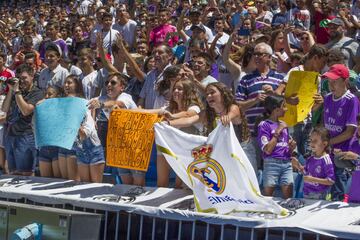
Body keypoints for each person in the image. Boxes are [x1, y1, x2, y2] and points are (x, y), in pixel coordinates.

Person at [313, 64, 360, 201]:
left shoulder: (352, 100)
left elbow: (350, 132)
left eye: (335, 82)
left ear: (345, 81)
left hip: (343, 154)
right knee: (327, 189)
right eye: (329, 81)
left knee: (339, 191)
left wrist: (326, 144)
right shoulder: (327, 98)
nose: (331, 85)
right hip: (328, 151)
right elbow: (325, 125)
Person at [87, 72, 143, 186]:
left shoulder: (125, 97)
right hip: (120, 144)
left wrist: (101, 105)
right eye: (107, 82)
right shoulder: (104, 98)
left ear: (122, 87)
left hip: (135, 144)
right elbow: (87, 103)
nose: (108, 85)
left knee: (138, 183)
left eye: (113, 83)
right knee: (126, 182)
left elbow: (119, 104)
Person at [2, 64, 44, 175]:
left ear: (32, 76)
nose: (21, 81)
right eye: (19, 78)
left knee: (25, 173)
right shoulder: (17, 91)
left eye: (24, 78)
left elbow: (26, 111)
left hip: (26, 135)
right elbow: (4, 109)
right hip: (11, 134)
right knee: (13, 172)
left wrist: (16, 92)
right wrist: (11, 90)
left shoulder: (37, 93)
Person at [257, 95, 296, 199]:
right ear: (276, 109)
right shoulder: (264, 125)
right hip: (271, 163)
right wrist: (278, 131)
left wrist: (291, 146)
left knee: (289, 198)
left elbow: (286, 147)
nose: (286, 109)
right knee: (268, 198)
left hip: (286, 163)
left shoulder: (284, 124)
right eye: (284, 106)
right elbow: (267, 150)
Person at [58, 75, 83, 181]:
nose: (66, 85)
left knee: (74, 180)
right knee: (64, 179)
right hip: (62, 142)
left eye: (69, 83)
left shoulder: (82, 101)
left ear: (77, 85)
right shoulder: (59, 101)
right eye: (65, 83)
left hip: (75, 143)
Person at [302, 127, 335, 200]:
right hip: (306, 193)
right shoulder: (310, 158)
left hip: (319, 195)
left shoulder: (326, 160)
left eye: (315, 141)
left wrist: (313, 179)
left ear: (324, 143)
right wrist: (298, 166)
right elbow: (306, 173)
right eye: (311, 140)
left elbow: (331, 181)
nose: (311, 143)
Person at [36, 85, 62, 178]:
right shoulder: (42, 108)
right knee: (45, 180)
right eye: (45, 94)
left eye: (50, 94)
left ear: (58, 96)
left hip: (57, 148)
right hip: (44, 148)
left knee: (57, 181)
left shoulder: (62, 109)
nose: (46, 96)